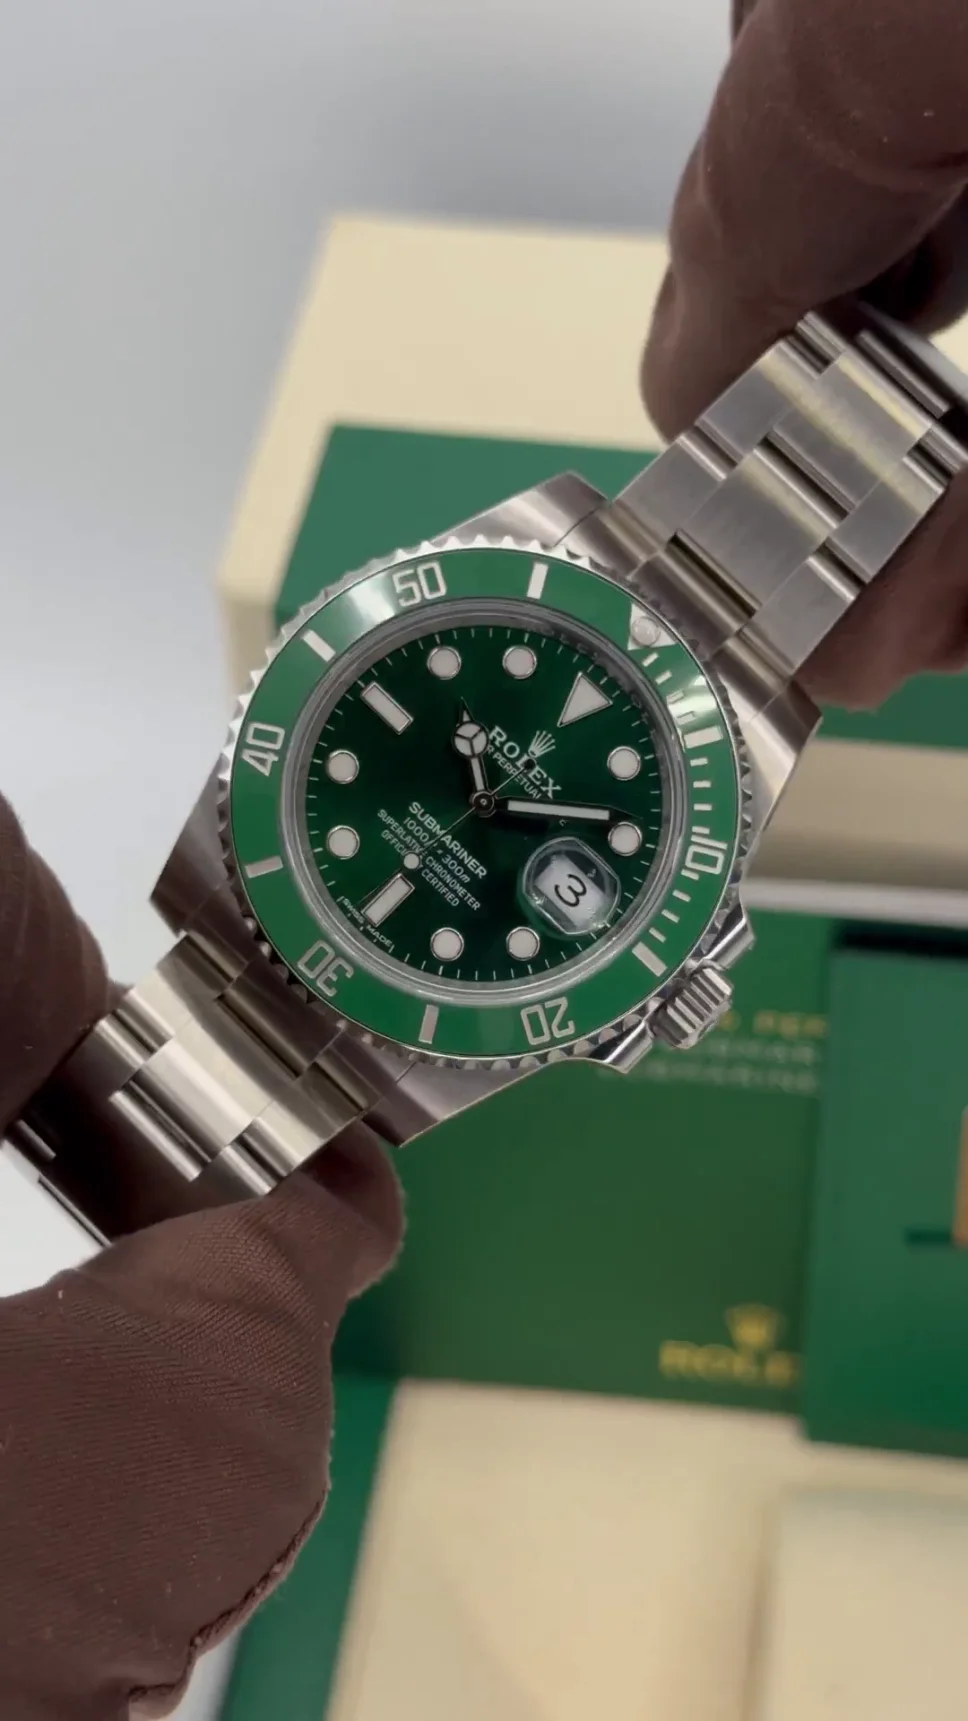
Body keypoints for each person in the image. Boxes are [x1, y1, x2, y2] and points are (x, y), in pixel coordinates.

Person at [3, 0, 968, 1713]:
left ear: (656, 990)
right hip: (276, 923)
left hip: (350, 930)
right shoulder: (581, 618)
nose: (508, 811)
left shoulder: (728, 740)